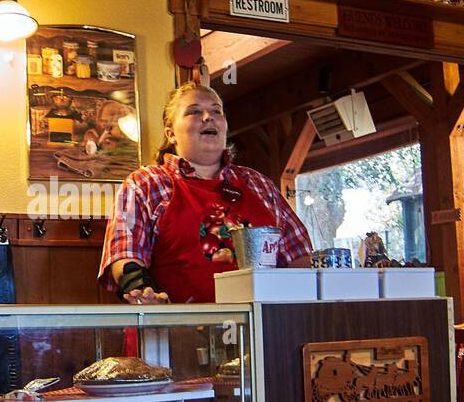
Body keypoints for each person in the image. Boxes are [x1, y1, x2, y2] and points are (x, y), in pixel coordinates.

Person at [100, 81, 313, 303]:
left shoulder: (260, 184)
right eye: (193, 111)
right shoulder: (145, 184)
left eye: (216, 111)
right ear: (170, 133)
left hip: (263, 328)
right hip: (177, 329)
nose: (207, 117)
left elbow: (300, 258)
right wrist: (145, 293)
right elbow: (125, 256)